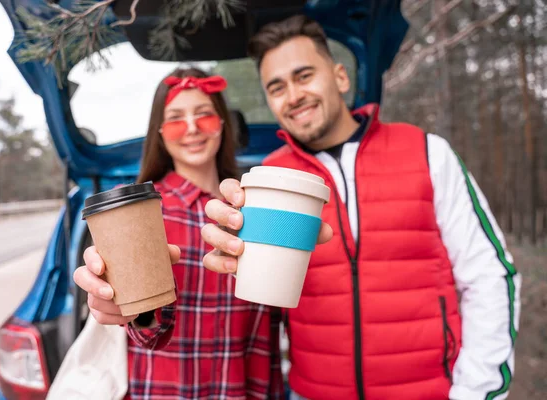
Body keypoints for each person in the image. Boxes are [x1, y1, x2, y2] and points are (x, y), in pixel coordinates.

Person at [201, 15, 521, 400]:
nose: (293, 95)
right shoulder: (268, 177)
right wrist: (229, 250)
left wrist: (476, 392)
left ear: (340, 77)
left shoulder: (425, 152)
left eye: (304, 76)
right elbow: (258, 308)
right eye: (277, 87)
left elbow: (489, 276)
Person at [73, 66, 284, 399]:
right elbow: (145, 332)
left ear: (223, 124)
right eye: (175, 119)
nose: (191, 129)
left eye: (205, 115)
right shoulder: (140, 214)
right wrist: (121, 304)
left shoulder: (256, 209)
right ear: (159, 132)